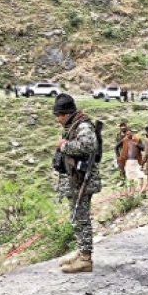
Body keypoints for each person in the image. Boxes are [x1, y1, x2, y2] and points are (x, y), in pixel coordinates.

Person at [53, 93, 101, 273]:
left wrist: (64, 145)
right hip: (74, 180)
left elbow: (89, 146)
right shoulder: (74, 124)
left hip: (82, 181)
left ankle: (86, 258)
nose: (57, 120)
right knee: (76, 217)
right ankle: (81, 251)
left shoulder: (83, 125)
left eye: (58, 116)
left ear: (66, 114)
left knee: (81, 219)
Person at [117, 128, 146, 193]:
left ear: (132, 133)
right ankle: (131, 193)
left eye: (129, 134)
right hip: (128, 162)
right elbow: (116, 147)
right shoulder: (124, 140)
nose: (127, 135)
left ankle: (142, 191)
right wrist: (118, 156)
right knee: (129, 177)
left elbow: (143, 148)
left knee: (141, 175)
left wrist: (137, 144)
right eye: (126, 134)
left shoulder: (137, 139)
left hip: (136, 161)